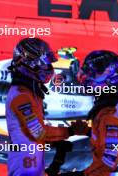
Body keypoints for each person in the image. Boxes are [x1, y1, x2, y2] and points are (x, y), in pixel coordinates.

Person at [6, 38, 79, 176]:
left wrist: (56, 149)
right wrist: (72, 130)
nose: (49, 68)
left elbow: (30, 137)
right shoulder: (21, 96)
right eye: (44, 64)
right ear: (29, 64)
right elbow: (39, 133)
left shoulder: (31, 91)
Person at [62, 50, 118, 176]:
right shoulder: (113, 100)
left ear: (110, 79)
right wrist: (89, 131)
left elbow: (109, 162)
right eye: (87, 72)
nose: (86, 79)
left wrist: (80, 175)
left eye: (93, 75)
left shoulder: (110, 113)